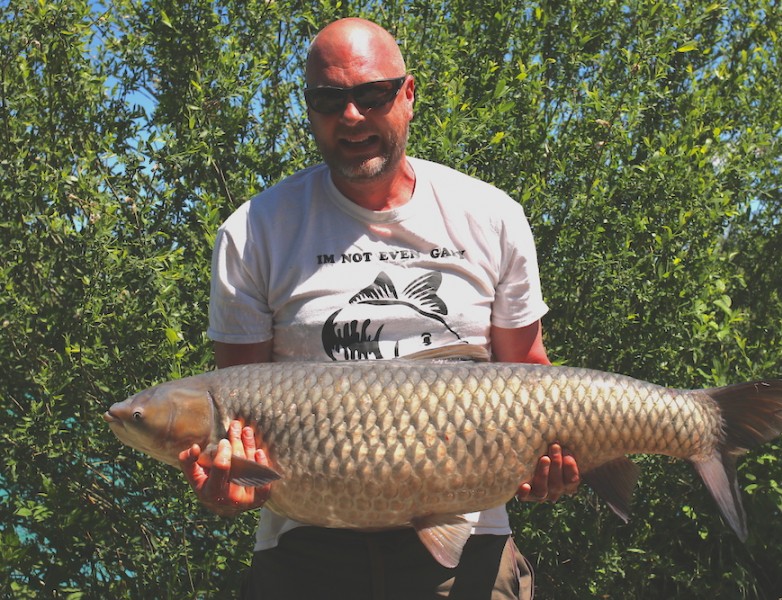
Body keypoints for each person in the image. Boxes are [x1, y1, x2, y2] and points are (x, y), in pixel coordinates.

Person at [178, 17, 580, 599]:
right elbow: (235, 410)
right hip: (307, 549)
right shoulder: (255, 231)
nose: (352, 116)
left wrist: (556, 458)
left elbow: (530, 373)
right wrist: (228, 483)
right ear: (309, 108)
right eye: (329, 99)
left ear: (408, 95)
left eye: (371, 94)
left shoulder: (490, 216)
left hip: (468, 544)